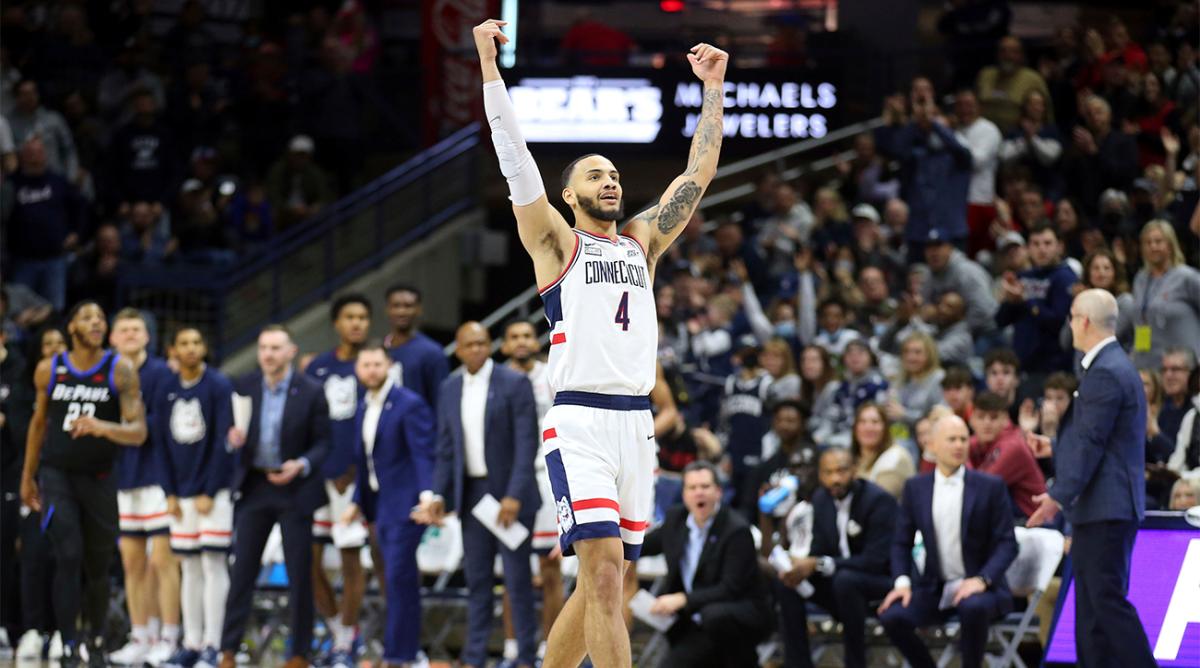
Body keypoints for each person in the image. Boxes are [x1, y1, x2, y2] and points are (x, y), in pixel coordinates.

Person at [461, 18, 729, 668]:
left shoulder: (643, 240)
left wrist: (714, 89)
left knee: (611, 582)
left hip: (636, 426)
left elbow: (698, 171)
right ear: (569, 193)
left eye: (614, 174)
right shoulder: (556, 243)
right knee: (606, 577)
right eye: (595, 175)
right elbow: (514, 159)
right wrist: (490, 70)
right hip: (579, 420)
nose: (610, 181)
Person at [1027, 289, 1156, 667]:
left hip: (1106, 507)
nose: (1069, 324)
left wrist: (1057, 495)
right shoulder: (1110, 367)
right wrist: (1054, 446)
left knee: (1105, 603)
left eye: (1071, 317)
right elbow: (1099, 438)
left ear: (1083, 322)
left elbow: (1091, 443)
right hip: (1102, 507)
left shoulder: (1106, 372)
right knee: (1090, 611)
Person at [19, 301, 147, 666]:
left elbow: (138, 432)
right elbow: (39, 424)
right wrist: (27, 476)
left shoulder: (119, 370)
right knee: (68, 554)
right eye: (87, 317)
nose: (95, 323)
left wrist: (102, 426)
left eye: (100, 318)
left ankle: (96, 641)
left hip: (101, 479)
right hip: (57, 476)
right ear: (72, 326)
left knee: (98, 565)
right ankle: (69, 643)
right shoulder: (50, 369)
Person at [415, 322, 540, 668]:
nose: (476, 350)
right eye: (469, 345)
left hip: (509, 494)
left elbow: (527, 442)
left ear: (491, 346)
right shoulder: (449, 388)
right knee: (478, 580)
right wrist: (439, 494)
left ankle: (526, 657)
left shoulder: (514, 383)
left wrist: (514, 495)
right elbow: (445, 448)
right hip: (472, 494)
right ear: (458, 350)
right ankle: (474, 657)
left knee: (517, 581)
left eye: (482, 343)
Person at [219, 325, 330, 668]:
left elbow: (324, 443)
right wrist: (231, 439)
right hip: (255, 485)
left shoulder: (311, 391)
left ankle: (299, 652)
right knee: (242, 572)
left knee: (300, 572)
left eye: (275, 348)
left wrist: (301, 464)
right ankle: (228, 649)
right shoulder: (244, 386)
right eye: (263, 347)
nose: (268, 354)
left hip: (294, 489)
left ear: (291, 351)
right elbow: (229, 435)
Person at [877, 415, 1017, 668]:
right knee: (892, 617)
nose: (959, 445)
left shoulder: (990, 486)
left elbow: (1008, 543)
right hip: (935, 587)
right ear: (931, 445)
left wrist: (982, 580)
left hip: (982, 587)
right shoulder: (915, 487)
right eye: (951, 439)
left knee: (971, 607)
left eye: (964, 439)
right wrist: (902, 582)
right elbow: (901, 542)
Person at [340, 344, 435, 668]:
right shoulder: (365, 405)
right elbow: (367, 461)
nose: (371, 370)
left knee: (398, 577)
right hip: (378, 505)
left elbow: (422, 453)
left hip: (406, 504)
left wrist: (427, 496)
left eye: (377, 364)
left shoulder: (409, 404)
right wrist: (355, 500)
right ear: (358, 369)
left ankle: (400, 655)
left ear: (389, 366)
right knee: (393, 579)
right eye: (365, 364)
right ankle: (402, 652)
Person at [773, 448, 898, 668]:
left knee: (845, 581)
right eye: (828, 473)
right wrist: (800, 565)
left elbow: (875, 561)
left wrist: (820, 563)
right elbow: (818, 548)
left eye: (841, 471)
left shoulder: (878, 501)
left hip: (880, 584)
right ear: (820, 475)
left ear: (855, 470)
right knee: (787, 582)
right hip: (841, 589)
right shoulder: (821, 499)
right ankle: (798, 663)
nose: (835, 479)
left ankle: (855, 662)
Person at [641, 461, 771, 667]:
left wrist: (682, 599)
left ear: (718, 492)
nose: (698, 493)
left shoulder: (736, 530)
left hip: (739, 615)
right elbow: (644, 545)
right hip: (695, 619)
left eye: (705, 487)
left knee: (714, 616)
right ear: (684, 494)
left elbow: (730, 589)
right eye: (692, 488)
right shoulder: (676, 520)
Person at [157, 328, 234, 668]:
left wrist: (210, 488)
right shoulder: (167, 388)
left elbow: (224, 441)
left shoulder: (218, 385)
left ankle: (213, 644)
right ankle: (191, 641)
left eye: (196, 342)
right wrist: (169, 492)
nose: (190, 348)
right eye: (183, 342)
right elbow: (160, 443)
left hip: (212, 493)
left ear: (205, 347)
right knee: (187, 565)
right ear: (173, 349)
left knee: (213, 563)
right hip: (180, 492)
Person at [108, 309, 180, 667]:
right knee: (132, 562)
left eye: (137, 329)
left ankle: (169, 636)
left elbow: (158, 426)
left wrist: (115, 426)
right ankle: (141, 635)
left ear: (147, 337)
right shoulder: (105, 375)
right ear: (112, 338)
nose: (131, 334)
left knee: (162, 562)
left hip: (158, 475)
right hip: (123, 478)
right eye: (125, 330)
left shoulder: (162, 374)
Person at [305, 295, 371, 667]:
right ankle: (337, 630)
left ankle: (347, 642)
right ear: (336, 324)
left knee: (350, 562)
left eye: (363, 317)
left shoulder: (376, 364)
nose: (357, 323)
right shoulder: (317, 367)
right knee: (309, 561)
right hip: (318, 479)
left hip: (357, 480)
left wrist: (354, 471)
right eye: (350, 317)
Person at [501, 320, 564, 659]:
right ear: (504, 345)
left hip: (545, 475)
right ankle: (513, 649)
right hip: (508, 482)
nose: (522, 341)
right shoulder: (497, 380)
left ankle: (550, 649)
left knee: (549, 568)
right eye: (515, 336)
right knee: (512, 569)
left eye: (527, 335)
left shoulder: (551, 374)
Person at [2, 137, 85, 312]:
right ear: (21, 156)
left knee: (54, 310)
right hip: (22, 260)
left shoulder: (57, 181)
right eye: (29, 152)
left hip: (54, 258)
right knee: (18, 310)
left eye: (38, 152)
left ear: (45, 155)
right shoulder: (12, 184)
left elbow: (80, 207)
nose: (34, 157)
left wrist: (76, 233)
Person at [996, 221, 1077, 375]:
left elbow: (1057, 322)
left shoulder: (1066, 277)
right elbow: (1000, 321)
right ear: (1027, 248)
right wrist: (1010, 301)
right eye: (1036, 244)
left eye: (1047, 243)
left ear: (1060, 246)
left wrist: (1026, 300)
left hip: (1053, 366)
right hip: (1022, 363)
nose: (1042, 249)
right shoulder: (1023, 276)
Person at [1126, 221, 1200, 369]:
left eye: (1158, 241)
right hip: (1149, 366)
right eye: (1148, 242)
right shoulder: (1140, 279)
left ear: (1170, 245)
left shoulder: (1187, 277)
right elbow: (1141, 322)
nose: (1153, 247)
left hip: (1184, 367)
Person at [968, 391, 1046, 519]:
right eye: (981, 417)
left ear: (1005, 419)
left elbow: (981, 489)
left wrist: (961, 457)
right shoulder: (979, 440)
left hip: (1035, 522)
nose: (987, 423)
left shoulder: (1013, 445)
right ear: (972, 419)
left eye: (993, 417)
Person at [383, 285, 450, 409]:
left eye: (408, 306)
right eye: (396, 306)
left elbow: (441, 402)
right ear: (387, 309)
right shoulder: (379, 350)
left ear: (419, 309)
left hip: (419, 427)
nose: (401, 311)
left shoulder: (432, 352)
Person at [851, 403, 915, 499]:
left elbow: (878, 501)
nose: (868, 427)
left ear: (885, 428)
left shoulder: (896, 457)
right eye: (862, 422)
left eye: (875, 422)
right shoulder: (851, 458)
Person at [1158, 348, 1196, 444]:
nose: (1168, 375)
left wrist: (1154, 434)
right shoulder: (1160, 406)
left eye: (1175, 369)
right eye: (1164, 370)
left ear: (1192, 373)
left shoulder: (1197, 409)